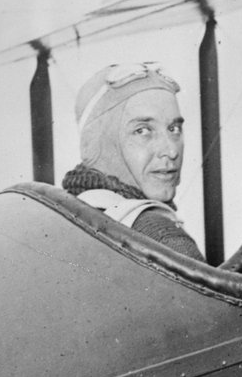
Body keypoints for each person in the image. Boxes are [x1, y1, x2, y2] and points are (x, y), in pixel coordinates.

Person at [60, 62, 204, 261]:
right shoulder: (162, 237)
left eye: (174, 129)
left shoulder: (63, 213)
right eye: (143, 130)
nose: (171, 151)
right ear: (103, 141)